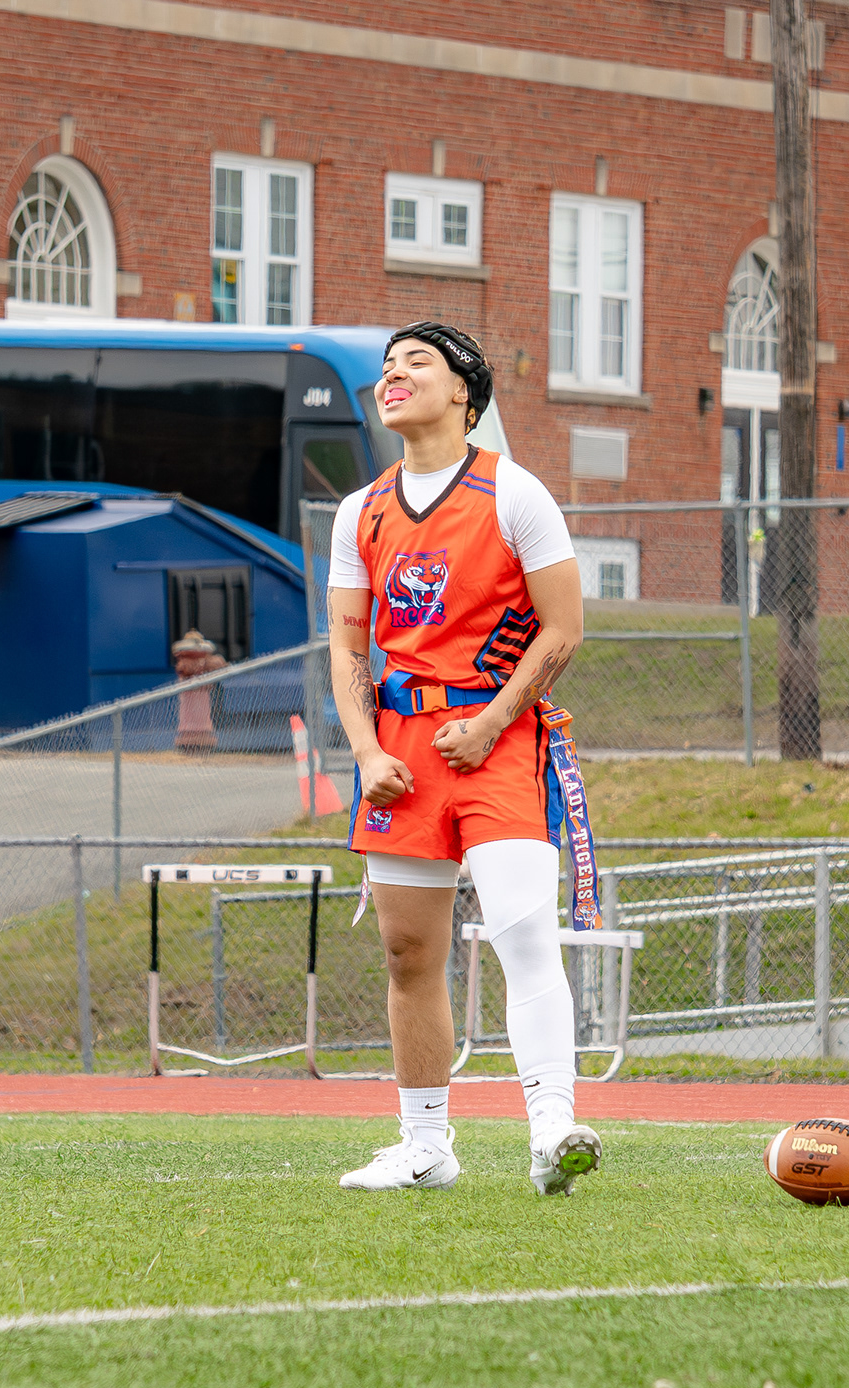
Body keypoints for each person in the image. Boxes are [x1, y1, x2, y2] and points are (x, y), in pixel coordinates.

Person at [325, 321, 599, 1195]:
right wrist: (365, 751)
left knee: (523, 929)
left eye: (418, 362)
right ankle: (425, 1147)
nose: (394, 375)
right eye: (387, 366)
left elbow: (564, 628)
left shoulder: (515, 493)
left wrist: (491, 723)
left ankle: (552, 1129)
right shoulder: (360, 510)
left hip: (497, 739)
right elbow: (347, 645)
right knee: (409, 952)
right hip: (401, 747)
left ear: (463, 393)